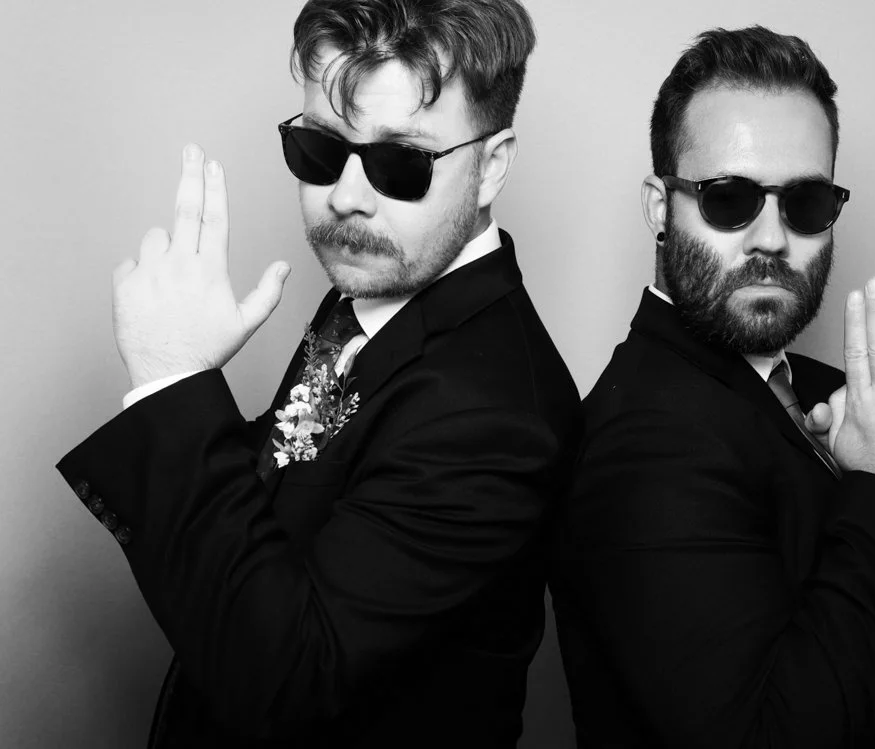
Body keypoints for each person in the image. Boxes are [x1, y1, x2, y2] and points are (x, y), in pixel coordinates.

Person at [55, 1, 579, 746]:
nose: (346, 196)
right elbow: (289, 505)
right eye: (321, 150)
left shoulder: (494, 413)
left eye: (402, 162)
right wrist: (194, 394)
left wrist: (173, 385)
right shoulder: (377, 289)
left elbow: (286, 680)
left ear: (492, 164)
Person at [552, 26, 875, 749]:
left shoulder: (819, 389)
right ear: (658, 206)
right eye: (728, 199)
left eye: (806, 202)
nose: (771, 238)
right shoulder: (641, 442)